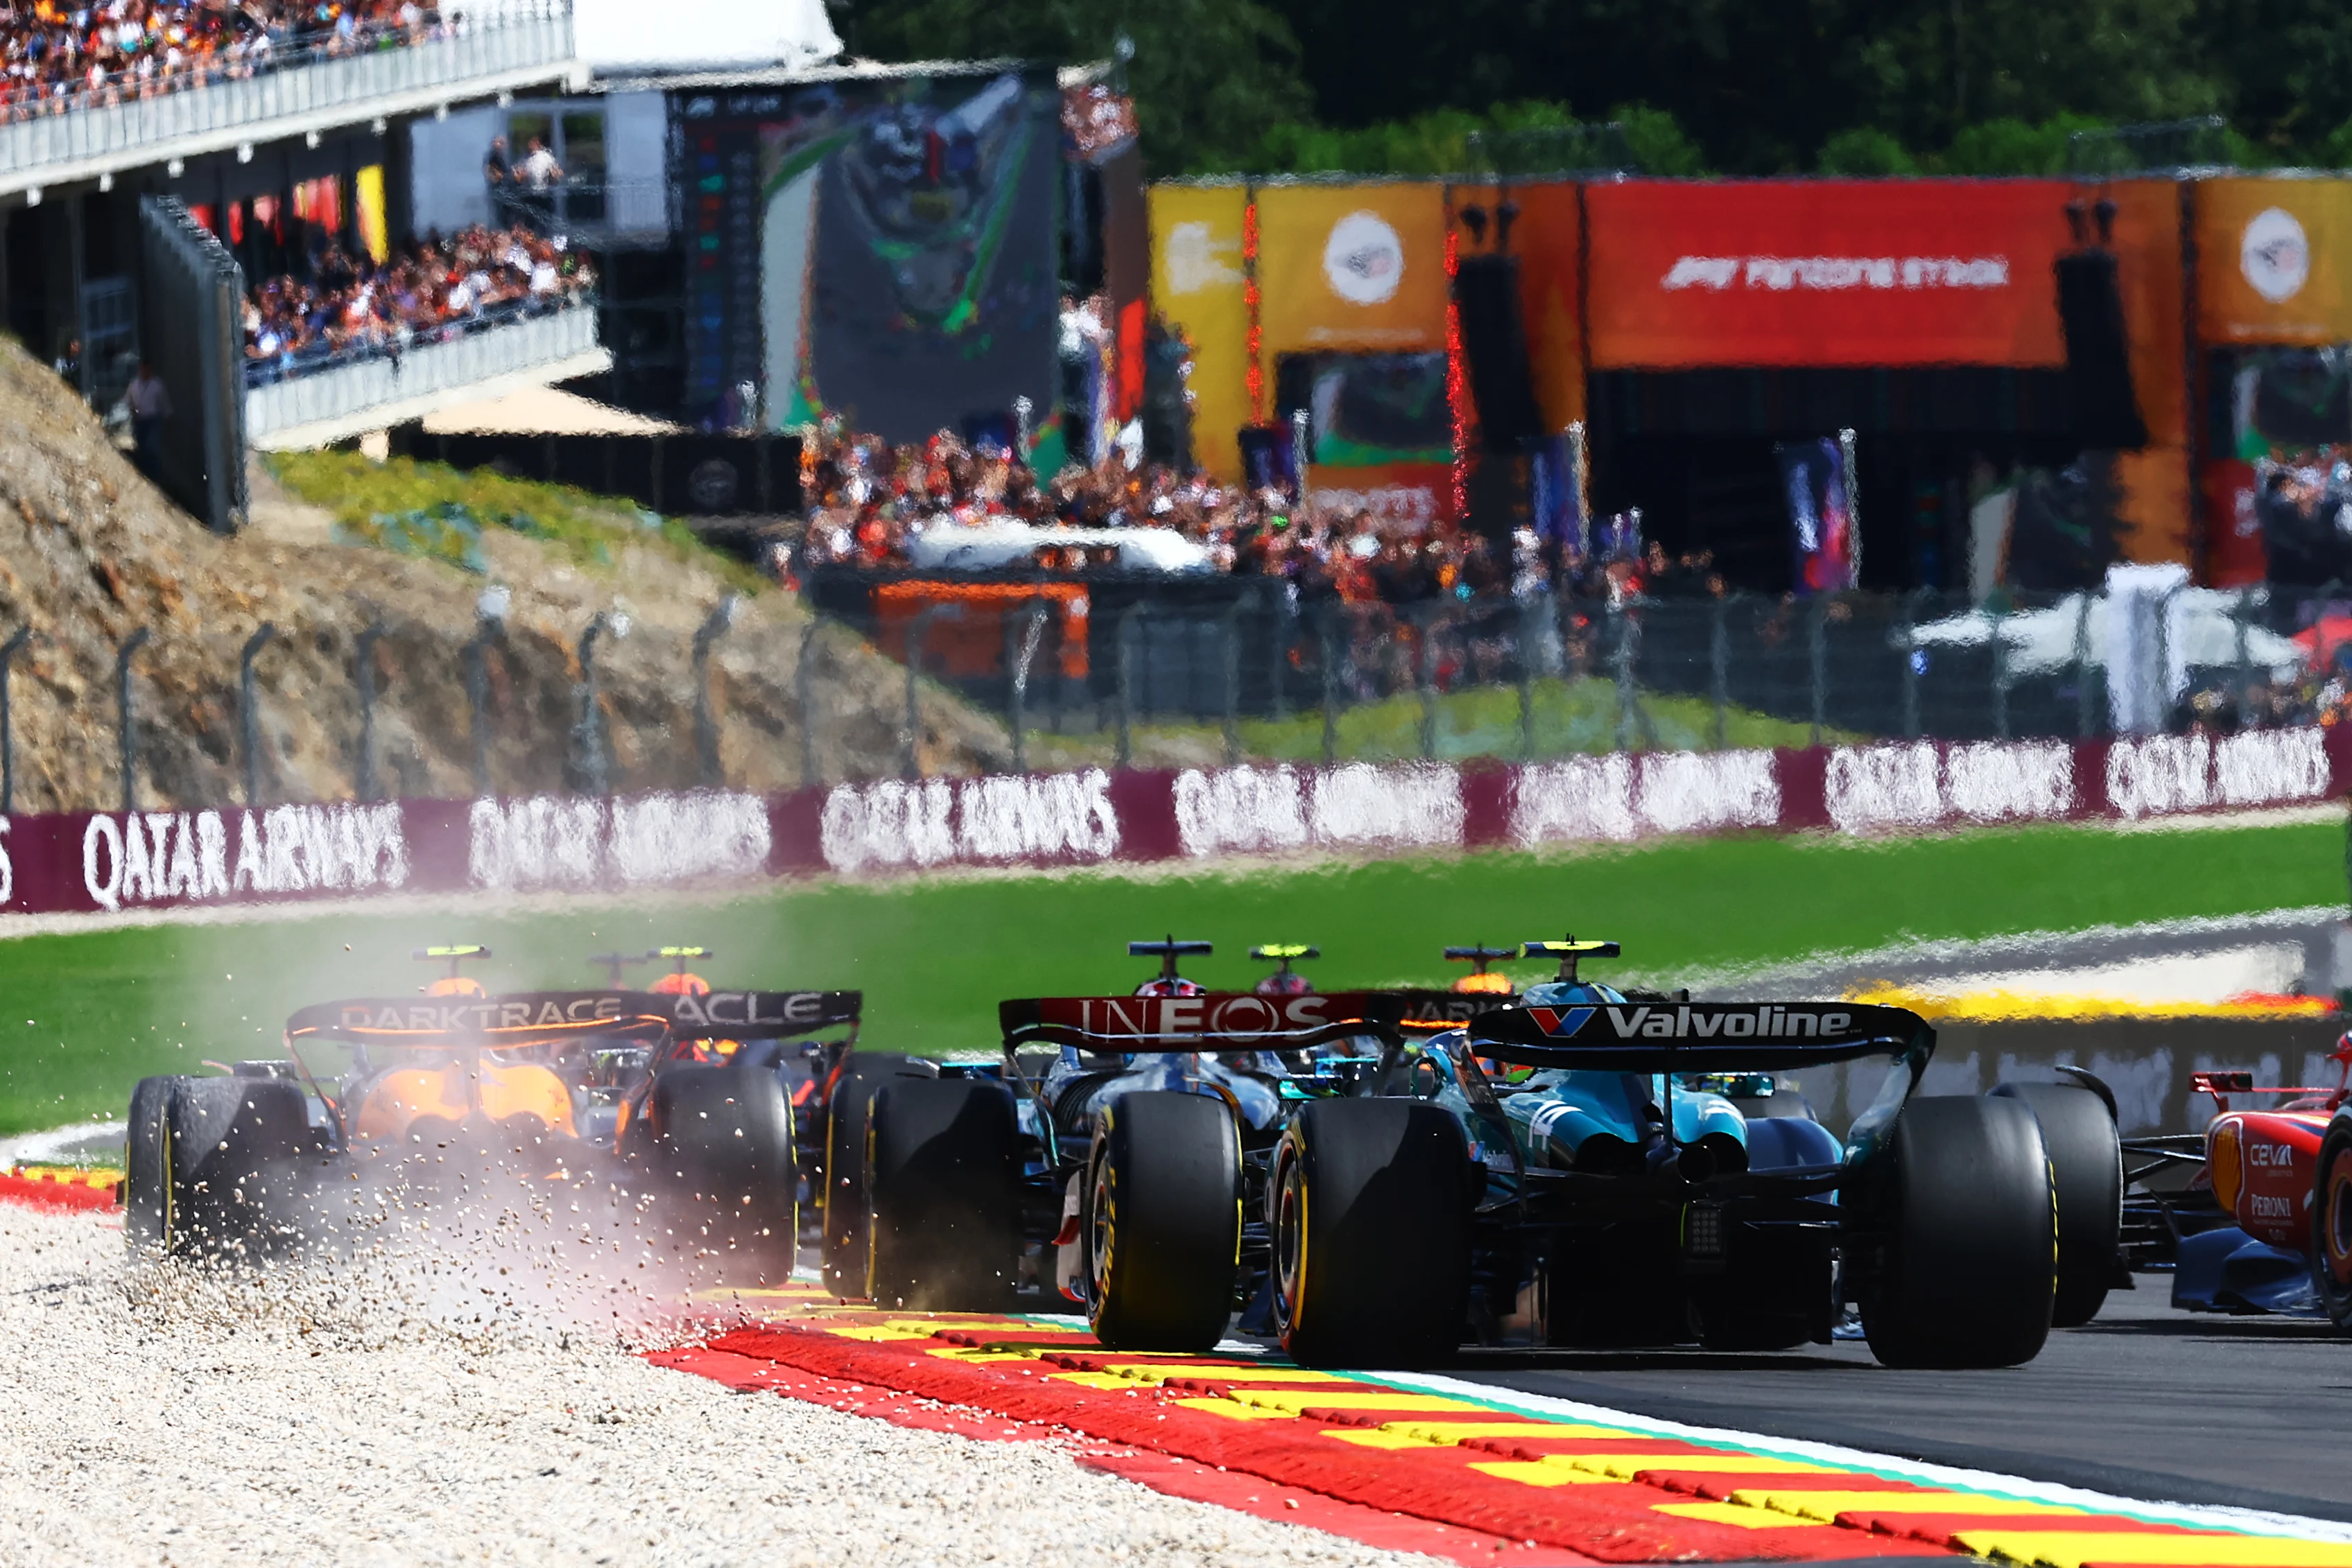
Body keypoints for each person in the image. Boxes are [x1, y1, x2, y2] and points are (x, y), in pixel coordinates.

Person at [126, 360, 170, 478]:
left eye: (147, 369)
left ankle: (155, 473)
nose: (145, 372)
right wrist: (132, 409)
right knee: (141, 446)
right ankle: (143, 472)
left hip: (153, 419)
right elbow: (128, 401)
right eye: (143, 369)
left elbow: (164, 402)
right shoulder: (134, 384)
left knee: (151, 445)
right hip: (140, 420)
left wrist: (167, 416)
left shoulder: (157, 384)